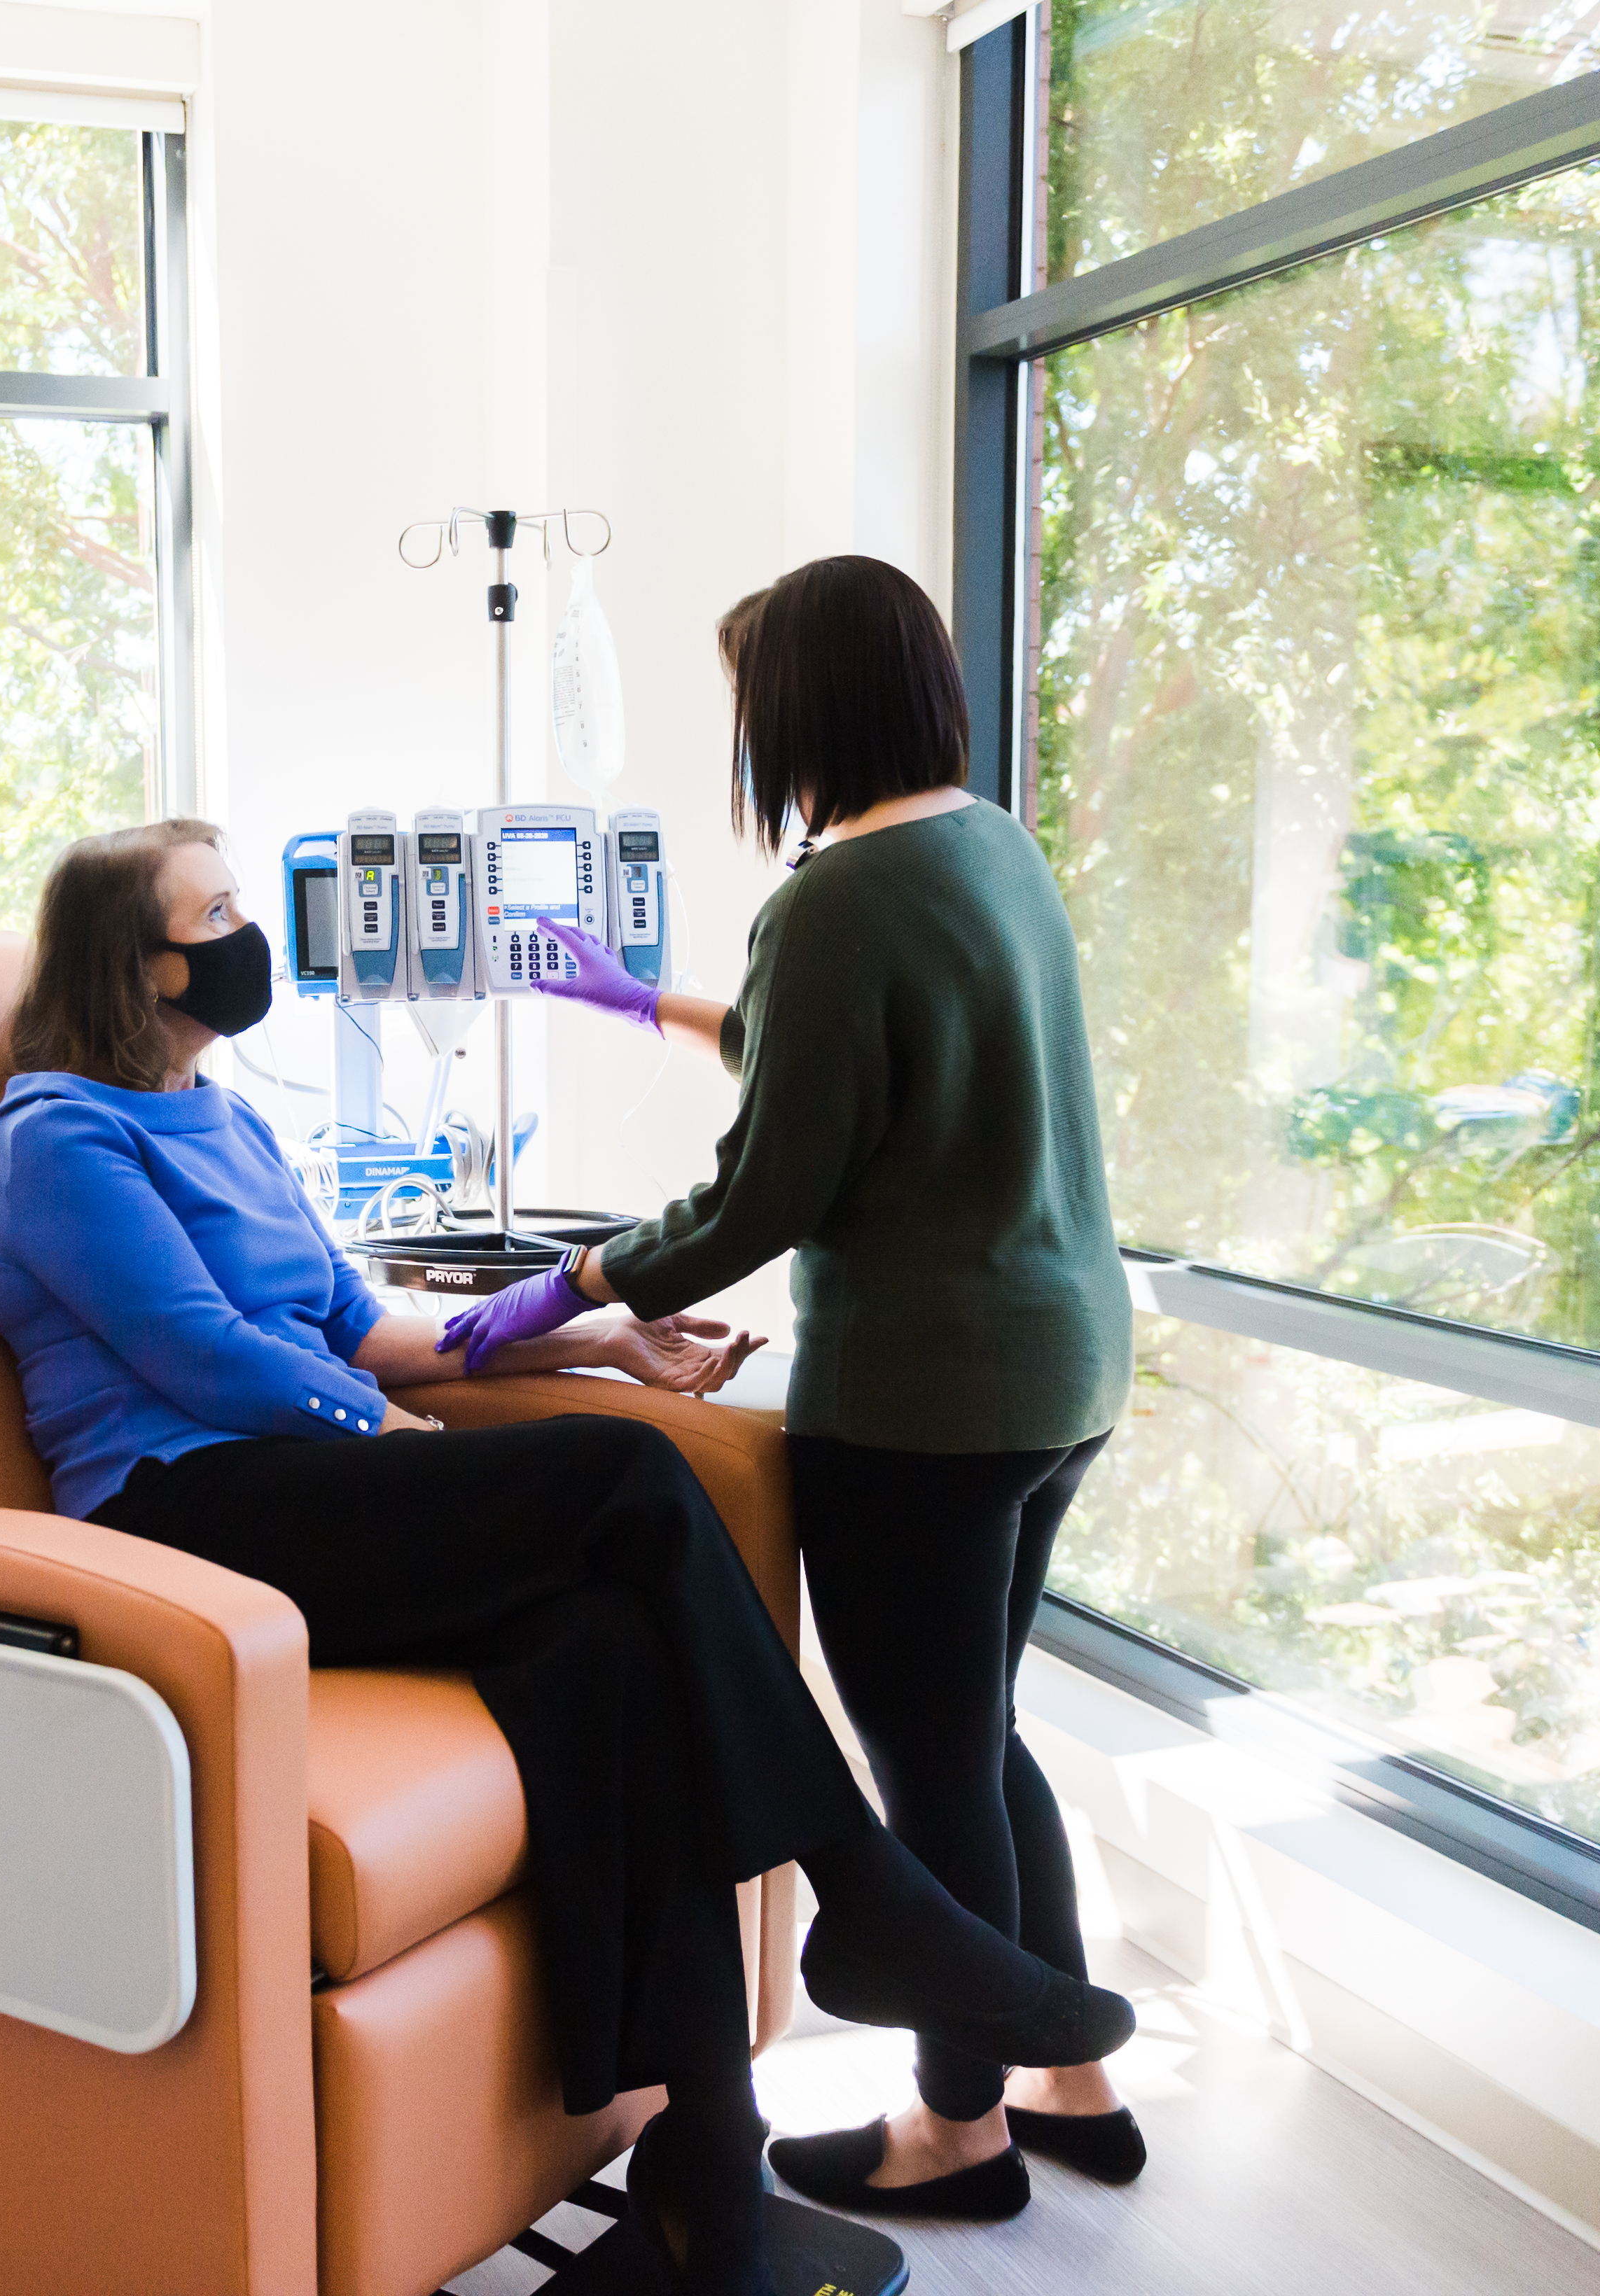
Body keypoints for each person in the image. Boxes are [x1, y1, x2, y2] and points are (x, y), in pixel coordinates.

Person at [0, 817, 1136, 2294]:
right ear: (133, 960)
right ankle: (867, 1887)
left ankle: (704, 2169)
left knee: (609, 1642)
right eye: (210, 911)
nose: (243, 932)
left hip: (294, 1480)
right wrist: (386, 1437)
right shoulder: (60, 1131)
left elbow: (353, 1317)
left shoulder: (222, 1117)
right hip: (180, 1511)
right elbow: (196, 1354)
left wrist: (586, 1334)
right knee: (625, 1479)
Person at [444, 554, 1143, 2219]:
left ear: (803, 709)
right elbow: (855, 1050)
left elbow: (769, 1187)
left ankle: (958, 2128)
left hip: (923, 1403)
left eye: (751, 703)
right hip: (1061, 1371)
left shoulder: (830, 896)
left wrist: (571, 1285)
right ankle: (1072, 2076)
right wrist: (639, 1000)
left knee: (928, 1765)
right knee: (982, 1730)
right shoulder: (991, 846)